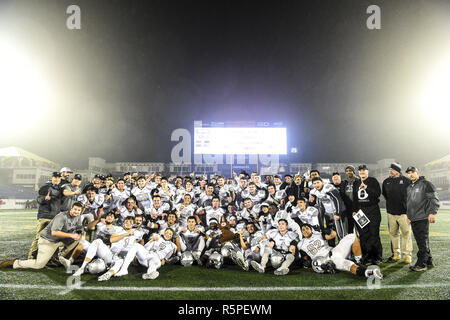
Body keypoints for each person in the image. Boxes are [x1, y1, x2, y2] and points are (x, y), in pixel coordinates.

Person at [1, 202, 83, 270]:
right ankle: (15, 263)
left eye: (78, 210)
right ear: (71, 209)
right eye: (75, 209)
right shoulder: (61, 216)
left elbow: (78, 228)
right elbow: (54, 233)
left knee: (80, 239)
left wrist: (78, 234)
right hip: (48, 241)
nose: (76, 212)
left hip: (59, 241)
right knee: (39, 265)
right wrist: (71, 235)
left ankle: (59, 257)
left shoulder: (78, 217)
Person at [297, 224, 383, 280]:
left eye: (307, 228)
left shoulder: (318, 235)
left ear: (311, 229)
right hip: (329, 261)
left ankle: (359, 261)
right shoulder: (301, 244)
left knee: (352, 236)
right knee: (348, 265)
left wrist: (327, 230)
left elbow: (333, 235)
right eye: (303, 229)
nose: (305, 231)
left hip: (334, 251)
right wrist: (306, 262)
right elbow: (304, 257)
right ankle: (368, 272)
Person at [405, 166, 440, 271]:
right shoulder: (409, 187)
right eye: (409, 173)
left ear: (417, 172)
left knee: (422, 241)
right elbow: (409, 203)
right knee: (421, 240)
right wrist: (408, 216)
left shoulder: (426, 184)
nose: (410, 174)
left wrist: (432, 212)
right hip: (414, 217)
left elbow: (433, 199)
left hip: (422, 217)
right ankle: (428, 261)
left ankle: (421, 264)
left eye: (412, 172)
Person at [382, 162, 412, 264]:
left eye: (392, 169)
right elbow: (385, 195)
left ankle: (407, 255)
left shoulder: (406, 181)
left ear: (397, 170)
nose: (390, 171)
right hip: (391, 212)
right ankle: (396, 254)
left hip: (404, 213)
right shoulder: (386, 181)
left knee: (406, 234)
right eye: (390, 169)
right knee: (393, 234)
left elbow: (410, 197)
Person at [352, 165, 383, 265]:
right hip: (361, 210)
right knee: (363, 235)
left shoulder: (373, 181)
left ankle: (377, 257)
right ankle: (366, 256)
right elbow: (355, 198)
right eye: (360, 170)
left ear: (367, 171)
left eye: (364, 170)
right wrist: (354, 210)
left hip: (372, 209)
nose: (362, 172)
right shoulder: (356, 182)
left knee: (374, 234)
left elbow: (378, 193)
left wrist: (367, 188)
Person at [29, 172, 62, 259]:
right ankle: (31, 256)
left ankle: (50, 257)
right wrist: (44, 198)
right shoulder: (45, 187)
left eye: (58, 177)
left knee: (54, 239)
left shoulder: (60, 189)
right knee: (39, 236)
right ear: (52, 178)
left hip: (55, 217)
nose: (57, 179)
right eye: (55, 177)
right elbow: (39, 199)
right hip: (45, 216)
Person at [342, 166, 359, 234]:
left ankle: (362, 244)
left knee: (360, 228)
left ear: (353, 171)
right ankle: (352, 244)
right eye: (347, 171)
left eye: (350, 170)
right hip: (348, 208)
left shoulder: (358, 181)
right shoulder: (344, 182)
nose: (348, 172)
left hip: (358, 207)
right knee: (349, 228)